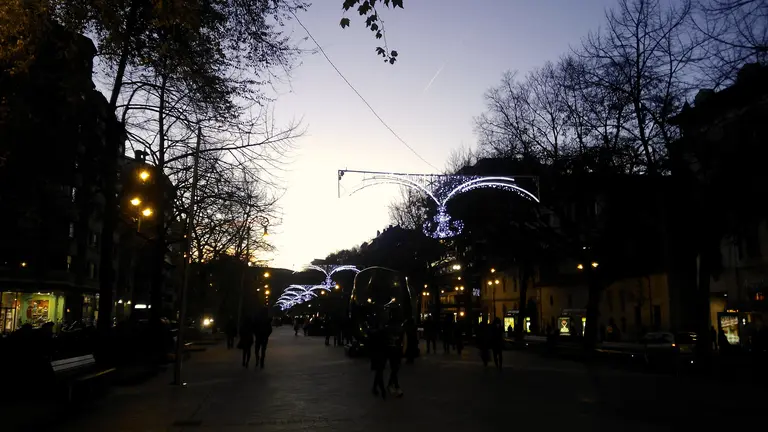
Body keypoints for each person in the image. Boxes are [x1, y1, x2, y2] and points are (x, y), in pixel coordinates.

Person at [369, 323, 388, 399]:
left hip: (376, 356)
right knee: (379, 373)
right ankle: (382, 390)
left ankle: (375, 388)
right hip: (381, 356)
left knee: (378, 373)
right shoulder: (383, 335)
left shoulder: (373, 334)